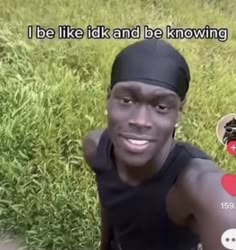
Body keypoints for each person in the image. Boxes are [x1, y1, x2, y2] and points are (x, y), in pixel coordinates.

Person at [82, 39, 236, 250]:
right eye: (127, 100)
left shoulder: (197, 187)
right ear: (108, 98)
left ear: (179, 113)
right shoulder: (96, 148)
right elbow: (112, 205)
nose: (140, 120)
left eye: (161, 106)